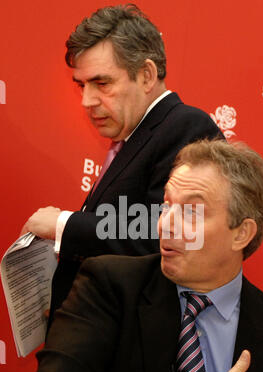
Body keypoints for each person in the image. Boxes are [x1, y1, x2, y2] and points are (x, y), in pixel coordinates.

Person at [26, 139, 263, 372]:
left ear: (242, 233)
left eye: (191, 212)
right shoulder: (109, 284)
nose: (166, 225)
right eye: (167, 205)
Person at [20, 4, 222, 327]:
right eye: (81, 85)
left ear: (146, 75)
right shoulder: (131, 136)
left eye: (102, 83)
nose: (87, 101)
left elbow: (158, 233)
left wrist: (64, 225)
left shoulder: (187, 128)